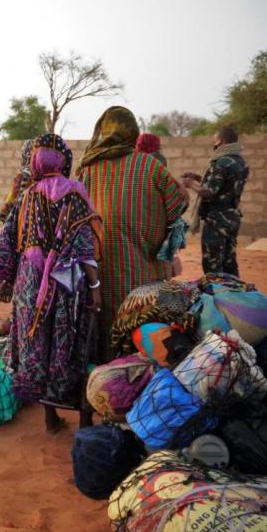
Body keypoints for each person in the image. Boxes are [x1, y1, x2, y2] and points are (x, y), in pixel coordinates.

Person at [0, 134, 103, 432]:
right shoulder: (76, 193)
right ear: (64, 161)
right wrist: (95, 288)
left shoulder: (28, 196)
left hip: (30, 282)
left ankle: (50, 418)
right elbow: (84, 246)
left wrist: (6, 280)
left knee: (36, 343)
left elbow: (3, 247)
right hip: (66, 282)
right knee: (68, 342)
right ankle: (83, 417)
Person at [77, 106, 188, 361]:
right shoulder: (149, 165)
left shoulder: (86, 170)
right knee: (141, 318)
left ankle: (104, 372)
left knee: (104, 321)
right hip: (141, 269)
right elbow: (178, 203)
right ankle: (139, 370)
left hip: (99, 272)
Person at [182, 126, 249, 277]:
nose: (214, 145)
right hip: (232, 216)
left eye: (215, 141)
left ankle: (217, 298)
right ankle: (235, 297)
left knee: (212, 265)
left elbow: (209, 192)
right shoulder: (240, 161)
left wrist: (190, 184)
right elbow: (224, 184)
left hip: (217, 219)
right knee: (229, 263)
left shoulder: (222, 161)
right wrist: (198, 178)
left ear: (221, 141)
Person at [0, 139, 34, 223]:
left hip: (24, 217)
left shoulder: (24, 175)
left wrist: (3, 214)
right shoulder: (44, 173)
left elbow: (14, 195)